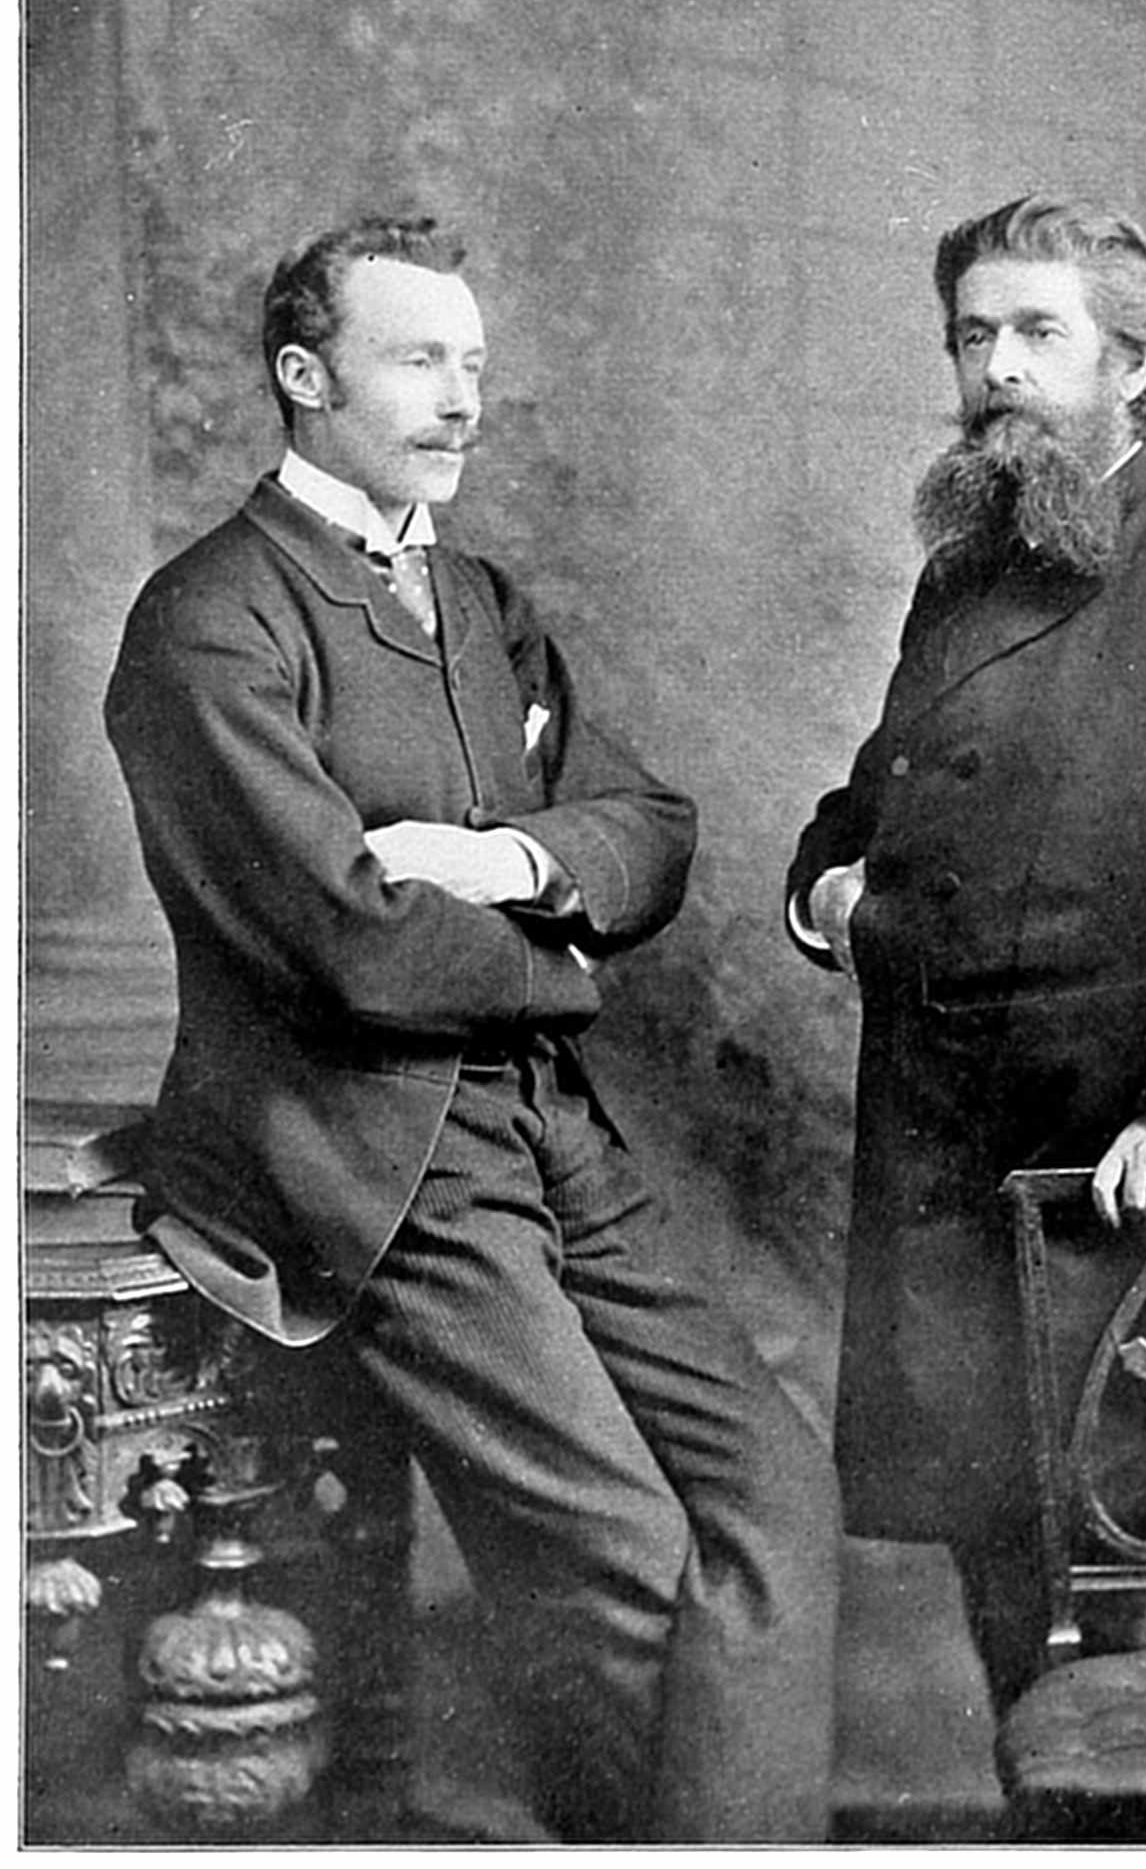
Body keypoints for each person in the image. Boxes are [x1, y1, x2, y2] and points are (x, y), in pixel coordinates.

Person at [106, 214, 838, 1843]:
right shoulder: (209, 620)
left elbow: (650, 828)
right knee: (630, 1557)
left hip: (544, 1121)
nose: (462, 399)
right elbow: (351, 948)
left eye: (475, 364)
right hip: (364, 1149)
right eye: (417, 360)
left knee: (783, 1494)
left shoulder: (481, 598)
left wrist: (509, 861)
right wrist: (566, 960)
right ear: (304, 377)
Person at [785, 193, 1146, 1719]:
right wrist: (823, 887)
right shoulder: (963, 573)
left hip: (1114, 1167)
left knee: (1110, 1559)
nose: (997, 367)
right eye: (972, 335)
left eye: (1038, 332)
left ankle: (1103, 1810)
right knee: (1005, 1560)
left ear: (1134, 361)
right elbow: (882, 797)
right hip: (954, 1153)